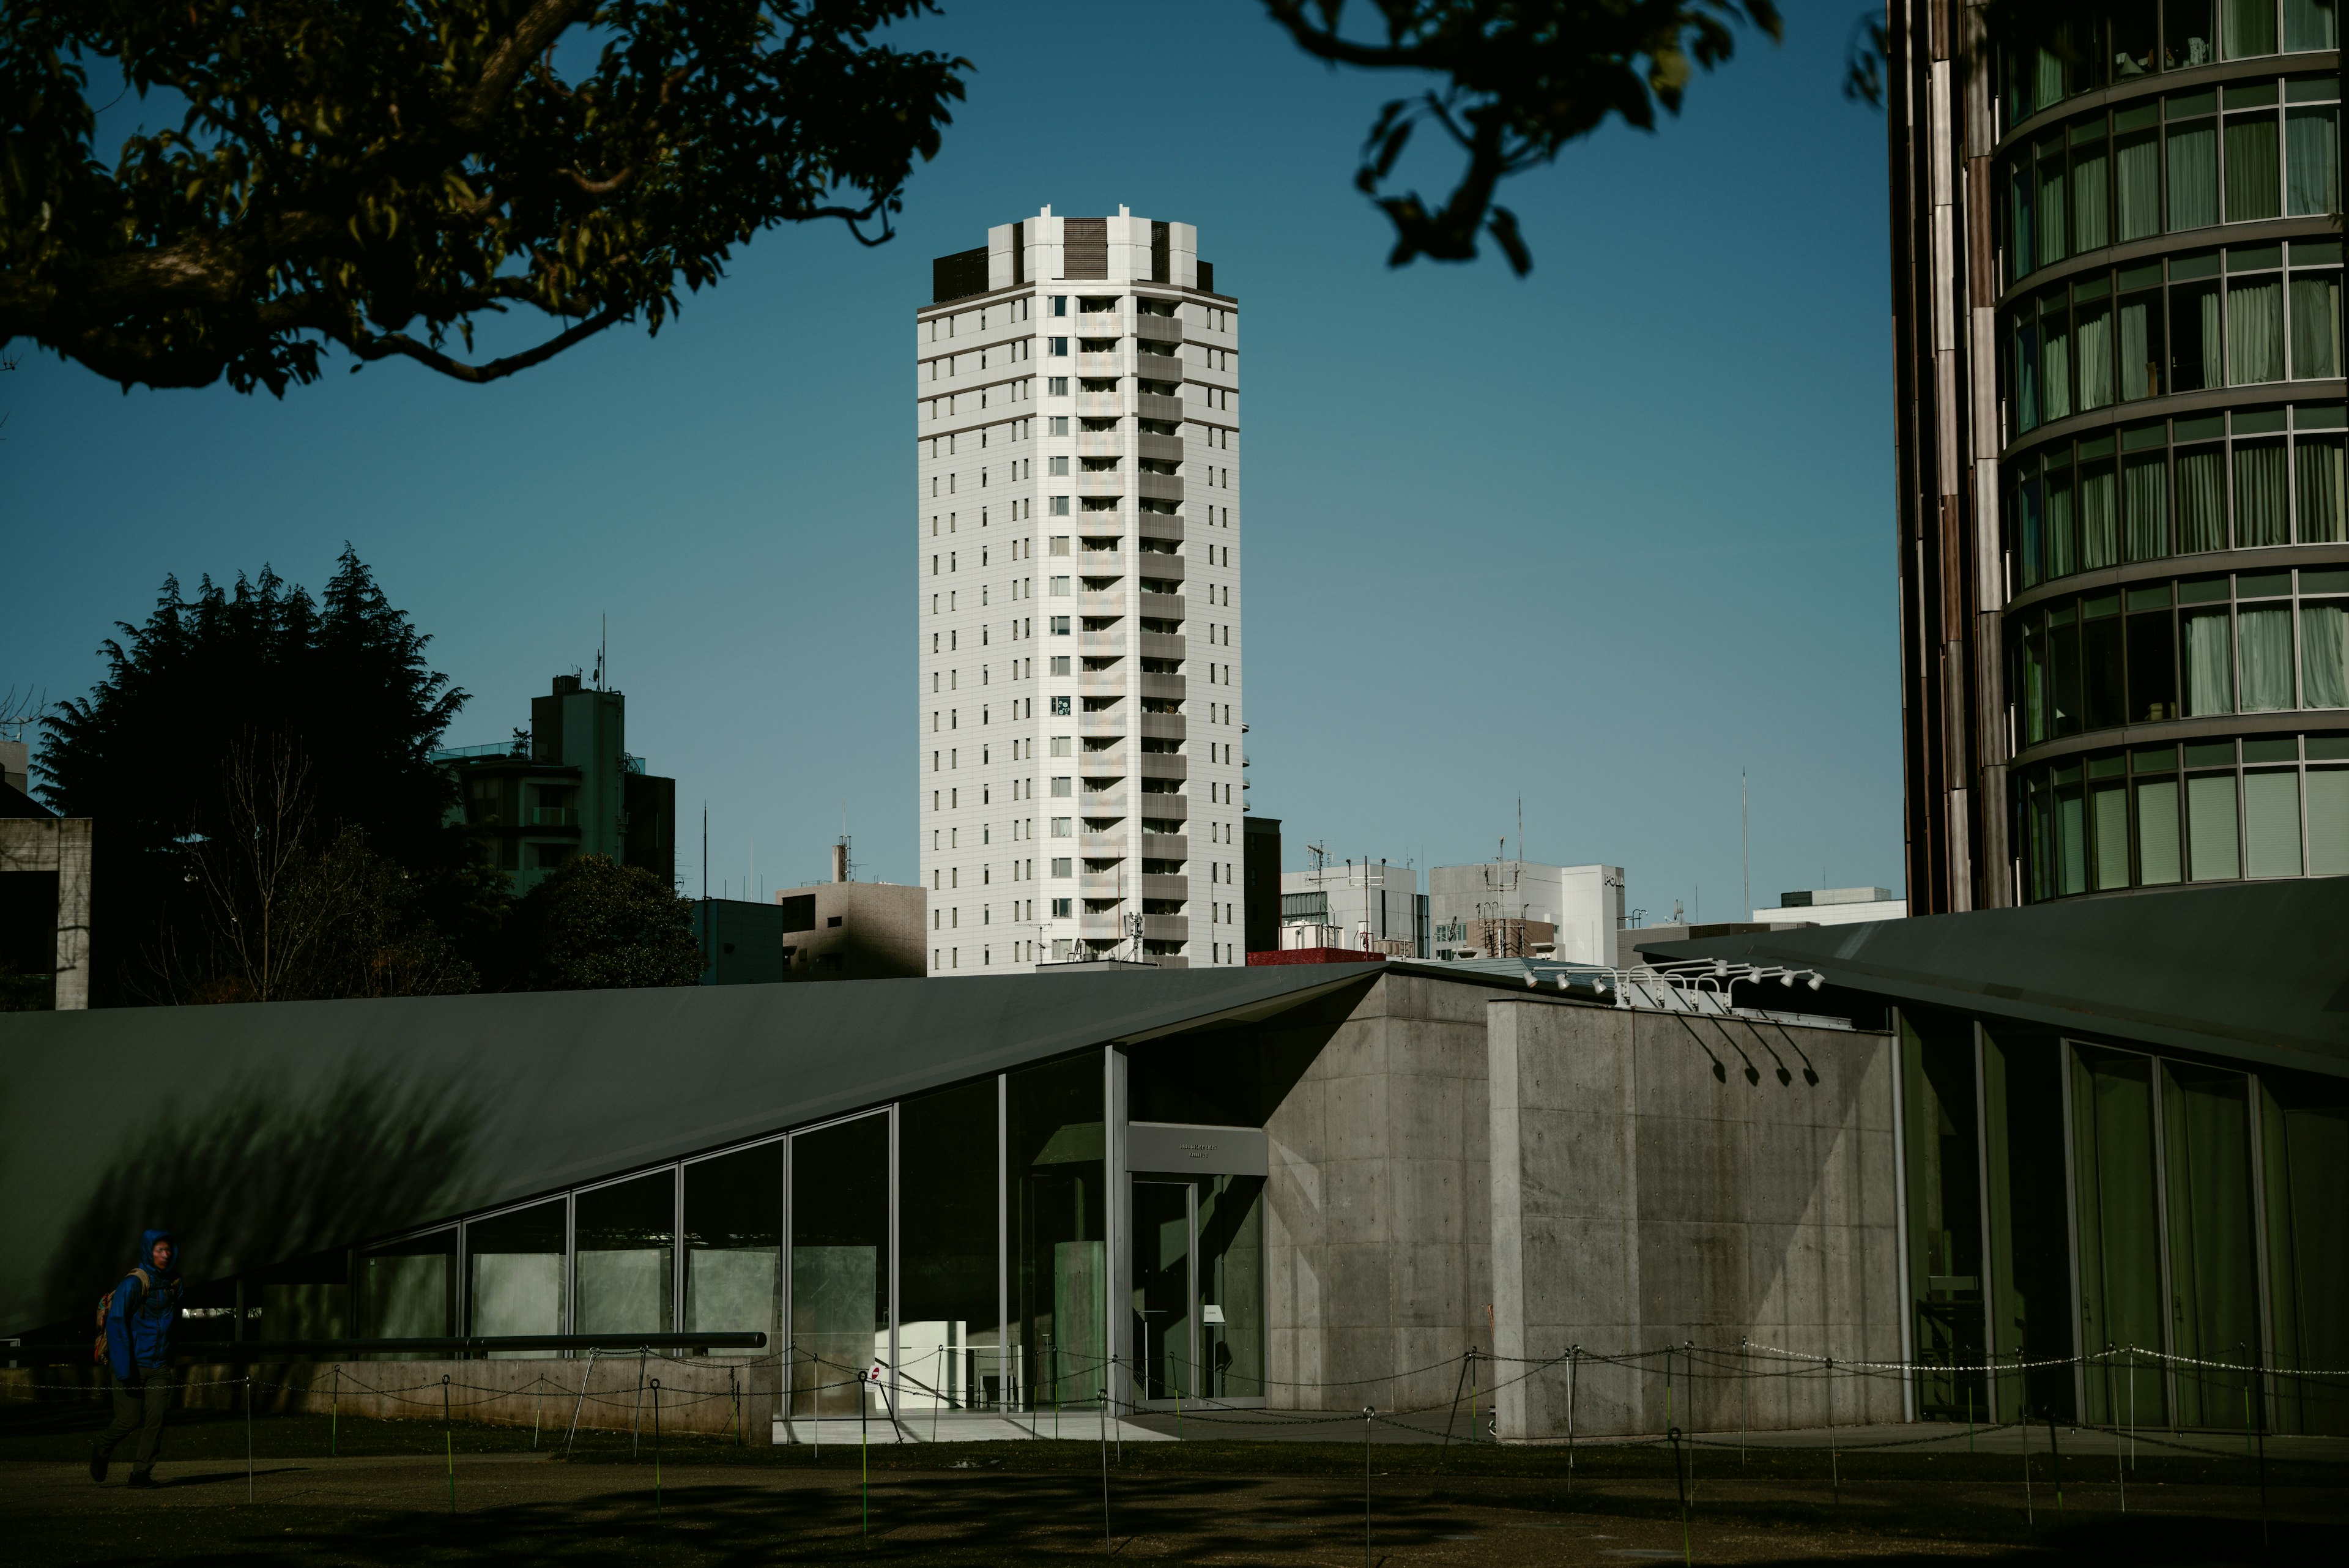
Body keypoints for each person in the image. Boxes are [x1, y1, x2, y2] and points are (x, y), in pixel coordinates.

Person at [90, 1228, 183, 1488]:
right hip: (131, 1365)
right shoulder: (133, 1283)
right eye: (159, 1250)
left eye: (168, 1250)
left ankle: (141, 1473)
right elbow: (117, 1325)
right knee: (128, 1420)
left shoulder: (175, 1283)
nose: (165, 1255)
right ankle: (102, 1448)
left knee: (157, 1419)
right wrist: (124, 1370)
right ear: (148, 1251)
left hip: (160, 1367)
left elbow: (175, 1325)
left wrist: (170, 1359)